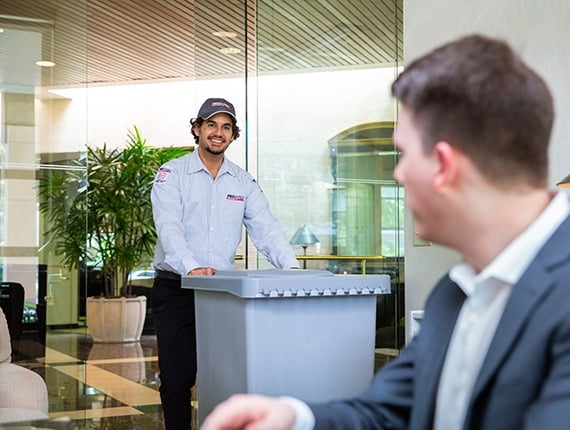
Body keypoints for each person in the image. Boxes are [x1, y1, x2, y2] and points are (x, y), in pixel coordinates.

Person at [200, 34, 570, 430]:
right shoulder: (455, 292)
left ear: (444, 166)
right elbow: (389, 410)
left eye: (404, 154)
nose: (398, 174)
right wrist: (295, 418)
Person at [150, 97, 300, 430]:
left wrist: (292, 270)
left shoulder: (242, 182)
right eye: (211, 125)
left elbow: (267, 230)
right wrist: (191, 266)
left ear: (233, 135)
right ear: (197, 128)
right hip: (177, 289)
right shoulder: (171, 174)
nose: (218, 133)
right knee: (176, 380)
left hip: (222, 294)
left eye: (226, 127)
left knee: (227, 379)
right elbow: (169, 227)